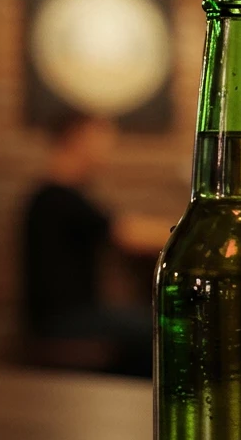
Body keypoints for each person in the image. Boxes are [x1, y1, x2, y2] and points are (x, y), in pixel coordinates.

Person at [20, 112, 173, 377]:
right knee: (170, 329)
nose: (108, 150)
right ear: (79, 140)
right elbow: (129, 234)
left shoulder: (57, 195)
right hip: (64, 320)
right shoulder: (57, 197)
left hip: (72, 315)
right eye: (102, 140)